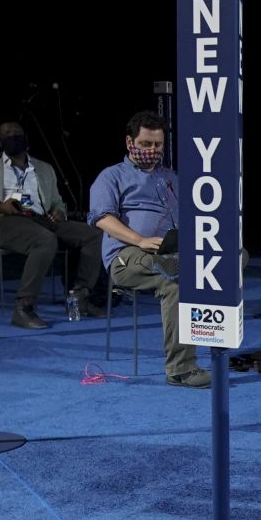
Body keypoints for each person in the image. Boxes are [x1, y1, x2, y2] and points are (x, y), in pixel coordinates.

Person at [88, 112, 209, 388]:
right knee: (176, 281)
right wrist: (139, 239)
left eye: (157, 145)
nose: (152, 151)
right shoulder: (112, 176)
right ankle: (181, 369)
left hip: (171, 250)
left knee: (221, 260)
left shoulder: (172, 177)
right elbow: (101, 218)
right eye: (145, 144)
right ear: (129, 142)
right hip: (128, 255)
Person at [0, 121, 104, 329]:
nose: (12, 136)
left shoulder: (43, 168)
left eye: (17, 133)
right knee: (45, 240)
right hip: (5, 221)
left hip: (41, 219)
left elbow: (57, 200)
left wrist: (59, 211)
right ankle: (23, 308)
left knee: (93, 235)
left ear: (26, 138)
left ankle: (79, 298)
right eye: (7, 134)